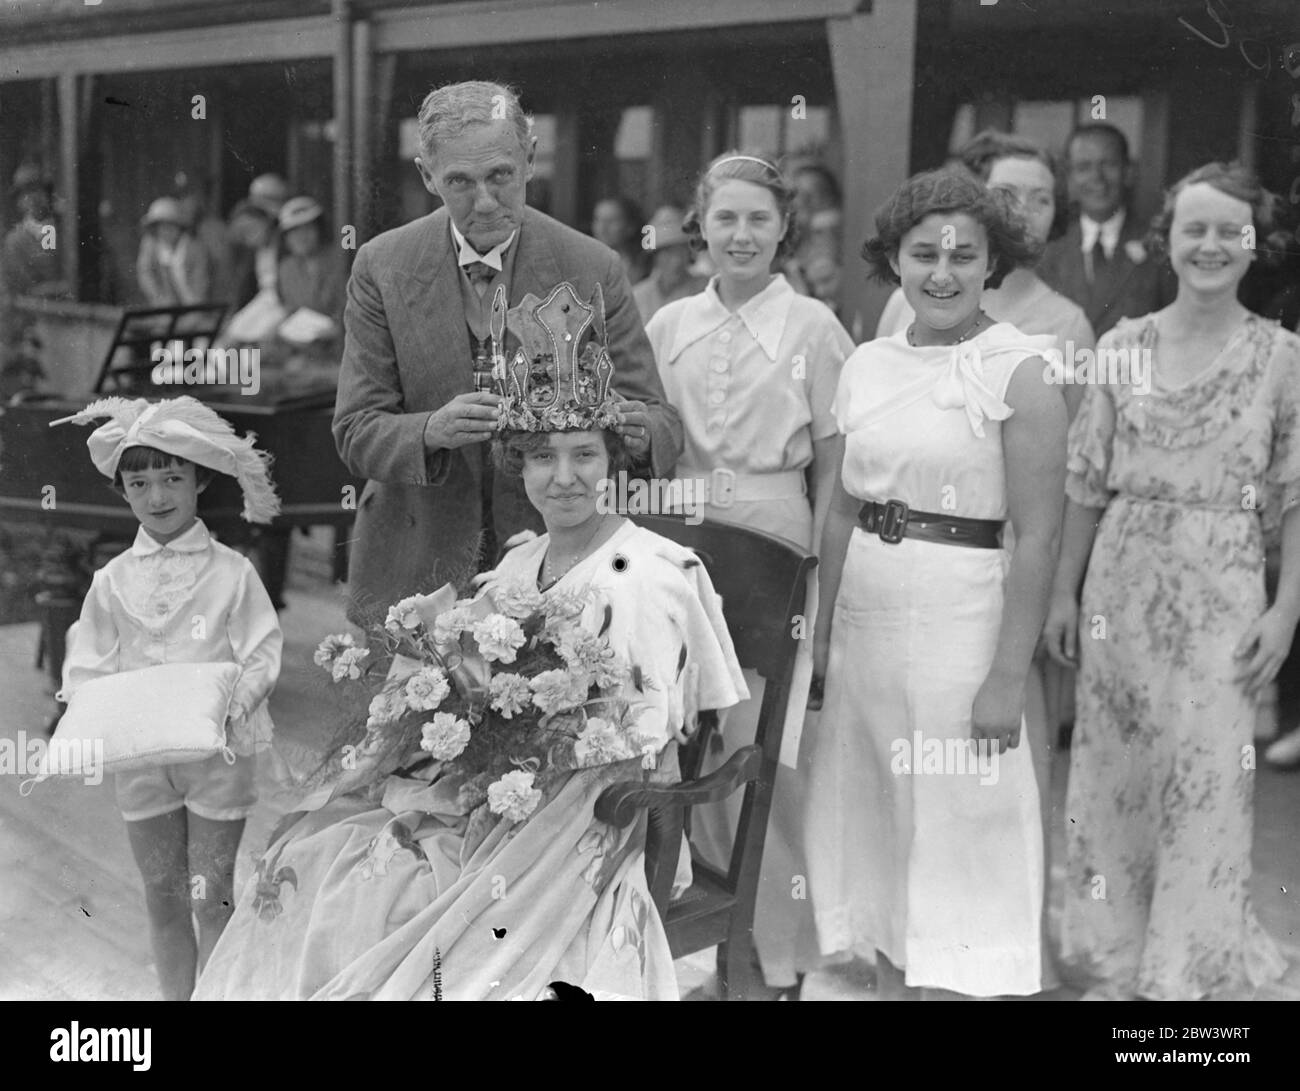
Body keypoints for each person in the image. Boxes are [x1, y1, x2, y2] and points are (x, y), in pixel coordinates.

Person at [193, 283, 747, 999]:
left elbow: (645, 739)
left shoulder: (656, 572)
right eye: (543, 458)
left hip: (596, 807)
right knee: (321, 850)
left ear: (613, 460)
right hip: (493, 787)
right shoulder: (520, 560)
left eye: (584, 454)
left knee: (406, 899)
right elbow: (473, 684)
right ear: (521, 465)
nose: (566, 477)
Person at [805, 168, 1066, 999]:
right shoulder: (869, 364)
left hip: (962, 622)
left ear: (995, 263)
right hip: (866, 624)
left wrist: (1004, 675)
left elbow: (1037, 533)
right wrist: (820, 640)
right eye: (923, 254)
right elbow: (841, 511)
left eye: (964, 255)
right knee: (877, 819)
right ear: (896, 261)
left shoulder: (1021, 369)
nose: (943, 272)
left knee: (960, 827)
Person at [1042, 162, 1297, 1001]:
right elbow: (1085, 482)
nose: (1212, 245)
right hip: (1122, 577)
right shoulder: (1122, 347)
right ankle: (1115, 955)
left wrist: (1289, 608)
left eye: (1230, 229)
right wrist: (1064, 592)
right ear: (1170, 239)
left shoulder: (1283, 358)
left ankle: (1185, 970)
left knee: (1206, 778)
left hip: (1223, 587)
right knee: (1116, 773)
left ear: (1255, 243)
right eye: (1195, 228)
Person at [332, 80, 682, 624]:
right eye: (459, 182)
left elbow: (661, 423)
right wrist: (429, 431)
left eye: (500, 175)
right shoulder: (382, 267)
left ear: (531, 158)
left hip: (560, 573)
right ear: (427, 175)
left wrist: (636, 431)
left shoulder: (592, 266)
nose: (486, 201)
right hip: (412, 569)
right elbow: (355, 430)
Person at [646, 150, 854, 996]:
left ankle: (778, 961)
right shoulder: (665, 326)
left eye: (758, 219)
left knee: (762, 752)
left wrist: (823, 596)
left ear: (783, 229)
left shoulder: (815, 328)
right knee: (677, 751)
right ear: (702, 226)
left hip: (773, 537)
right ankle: (694, 950)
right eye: (725, 218)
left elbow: (837, 469)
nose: (741, 235)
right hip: (680, 541)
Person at [54, 395, 283, 1001]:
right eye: (139, 482)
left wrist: (229, 707)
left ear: (199, 480)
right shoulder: (110, 581)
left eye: (172, 478)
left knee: (211, 894)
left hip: (217, 757)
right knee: (162, 894)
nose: (157, 497)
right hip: (143, 762)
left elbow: (261, 654)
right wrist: (93, 710)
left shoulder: (233, 572)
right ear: (123, 491)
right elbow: (88, 664)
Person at [877, 130, 1095, 417]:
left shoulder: (1070, 326)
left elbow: (1063, 439)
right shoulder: (906, 302)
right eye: (1006, 194)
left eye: (1040, 199)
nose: (1023, 211)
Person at [1037, 123, 1172, 339]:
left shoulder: (1158, 246)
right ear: (1070, 178)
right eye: (1083, 167)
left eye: (1108, 164)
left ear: (1128, 172)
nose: (1097, 178)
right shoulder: (1048, 250)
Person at [276, 195, 348, 335]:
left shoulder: (341, 260)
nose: (301, 236)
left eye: (307, 229)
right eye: (294, 231)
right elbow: (289, 310)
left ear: (320, 230)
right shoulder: (287, 268)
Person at [1, 164, 68, 303]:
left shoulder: (65, 231)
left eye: (37, 190)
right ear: (18, 201)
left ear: (47, 194)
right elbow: (19, 291)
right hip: (36, 317)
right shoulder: (14, 241)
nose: (33, 198)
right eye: (25, 193)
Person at [632, 205, 707, 322]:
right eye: (667, 253)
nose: (676, 261)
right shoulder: (638, 296)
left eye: (681, 252)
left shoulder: (705, 290)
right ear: (655, 255)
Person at [136, 197, 211, 307]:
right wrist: (160, 299)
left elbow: (201, 286)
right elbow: (145, 274)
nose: (165, 231)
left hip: (195, 309)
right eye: (160, 226)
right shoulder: (150, 245)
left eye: (170, 226)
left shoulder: (195, 249)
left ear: (179, 226)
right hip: (165, 310)